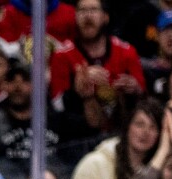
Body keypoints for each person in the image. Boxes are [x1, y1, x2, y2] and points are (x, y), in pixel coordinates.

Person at [48, 0, 145, 135]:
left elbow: (144, 96)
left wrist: (134, 90)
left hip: (123, 131)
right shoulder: (61, 55)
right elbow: (57, 106)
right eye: (82, 11)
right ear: (75, 17)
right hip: (79, 136)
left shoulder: (127, 52)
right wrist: (77, 91)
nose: (87, 16)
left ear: (105, 17)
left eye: (93, 10)